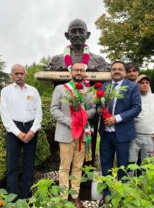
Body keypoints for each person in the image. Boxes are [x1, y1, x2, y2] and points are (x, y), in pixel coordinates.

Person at [50, 62, 96, 208]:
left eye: (81, 70)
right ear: (71, 72)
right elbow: (54, 109)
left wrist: (83, 117)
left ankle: (75, 196)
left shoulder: (89, 91)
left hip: (82, 134)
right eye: (76, 69)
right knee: (64, 167)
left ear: (84, 73)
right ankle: (63, 198)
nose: (79, 72)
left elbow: (94, 109)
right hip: (66, 133)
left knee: (77, 167)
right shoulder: (60, 89)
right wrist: (70, 121)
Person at [98, 61, 141, 206]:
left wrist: (116, 119)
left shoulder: (132, 86)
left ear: (124, 72)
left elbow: (136, 108)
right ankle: (107, 195)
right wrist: (99, 109)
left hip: (122, 134)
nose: (116, 71)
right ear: (110, 71)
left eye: (119, 69)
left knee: (123, 166)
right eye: (114, 69)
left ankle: (122, 196)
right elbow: (99, 104)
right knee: (105, 165)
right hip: (105, 134)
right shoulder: (104, 86)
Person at [0, 64, 42, 199]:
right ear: (11, 76)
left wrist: (33, 130)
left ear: (26, 75)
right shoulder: (6, 91)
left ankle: (26, 196)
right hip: (13, 131)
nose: (19, 76)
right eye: (16, 74)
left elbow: (39, 112)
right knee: (12, 165)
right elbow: (5, 115)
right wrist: (18, 133)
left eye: (21, 73)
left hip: (31, 129)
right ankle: (12, 198)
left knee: (28, 164)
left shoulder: (34, 91)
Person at [129, 74, 154, 171]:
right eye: (141, 83)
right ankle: (129, 185)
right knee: (130, 163)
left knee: (147, 165)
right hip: (133, 136)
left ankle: (145, 186)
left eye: (147, 83)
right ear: (137, 85)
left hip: (150, 137)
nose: (144, 85)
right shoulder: (132, 97)